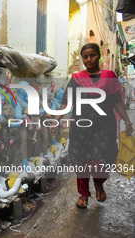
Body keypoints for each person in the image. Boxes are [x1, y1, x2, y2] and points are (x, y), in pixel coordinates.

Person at [50, 43, 133, 208]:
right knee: (82, 161)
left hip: (104, 127)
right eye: (85, 57)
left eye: (93, 55)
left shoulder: (109, 77)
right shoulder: (76, 79)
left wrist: (127, 121)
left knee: (100, 160)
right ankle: (83, 194)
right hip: (81, 128)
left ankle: (99, 184)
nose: (89, 59)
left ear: (99, 56)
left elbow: (117, 101)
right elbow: (66, 103)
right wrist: (56, 119)